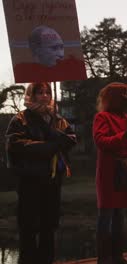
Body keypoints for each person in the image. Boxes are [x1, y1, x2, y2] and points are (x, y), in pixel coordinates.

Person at [5, 82, 76, 264]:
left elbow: (71, 140)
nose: (44, 96)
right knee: (28, 227)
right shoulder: (21, 118)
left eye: (47, 92)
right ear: (32, 94)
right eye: (40, 92)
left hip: (52, 179)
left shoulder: (58, 119)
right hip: (29, 179)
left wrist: (53, 134)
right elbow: (15, 145)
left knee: (49, 226)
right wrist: (49, 146)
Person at [92, 82, 127, 263]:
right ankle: (104, 258)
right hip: (109, 173)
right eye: (124, 97)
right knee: (106, 216)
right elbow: (101, 141)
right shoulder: (102, 117)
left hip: (124, 172)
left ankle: (117, 255)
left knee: (119, 216)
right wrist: (123, 135)